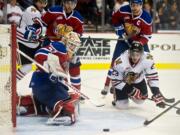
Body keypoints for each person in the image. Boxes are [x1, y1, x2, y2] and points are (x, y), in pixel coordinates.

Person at [18, 31, 81, 125]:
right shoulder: (59, 47)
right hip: (45, 83)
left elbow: (75, 77)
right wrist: (50, 67)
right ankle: (62, 114)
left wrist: (77, 91)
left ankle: (28, 105)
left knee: (74, 96)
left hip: (47, 88)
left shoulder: (73, 57)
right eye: (71, 44)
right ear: (65, 41)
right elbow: (39, 54)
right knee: (69, 102)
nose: (73, 48)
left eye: (75, 46)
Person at [101, 0, 152, 95]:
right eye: (133, 5)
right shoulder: (124, 10)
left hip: (139, 42)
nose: (135, 8)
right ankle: (107, 85)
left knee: (147, 62)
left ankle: (155, 91)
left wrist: (139, 43)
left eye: (137, 5)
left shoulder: (146, 17)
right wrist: (119, 29)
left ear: (141, 5)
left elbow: (147, 36)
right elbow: (115, 18)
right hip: (124, 41)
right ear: (130, 4)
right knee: (115, 62)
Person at [110, 42, 165, 109]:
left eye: (137, 54)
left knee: (140, 101)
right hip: (123, 82)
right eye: (133, 54)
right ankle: (117, 92)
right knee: (122, 106)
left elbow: (152, 77)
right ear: (129, 53)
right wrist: (131, 91)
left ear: (142, 54)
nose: (135, 57)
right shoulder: (120, 61)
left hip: (137, 79)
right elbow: (115, 80)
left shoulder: (148, 58)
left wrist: (156, 93)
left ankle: (128, 94)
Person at [16, 0, 47, 81]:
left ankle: (38, 89)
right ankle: (10, 86)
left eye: (45, 3)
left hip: (34, 43)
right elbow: (37, 30)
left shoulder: (43, 12)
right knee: (28, 66)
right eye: (41, 2)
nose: (43, 5)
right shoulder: (31, 11)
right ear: (35, 2)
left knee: (43, 64)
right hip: (22, 42)